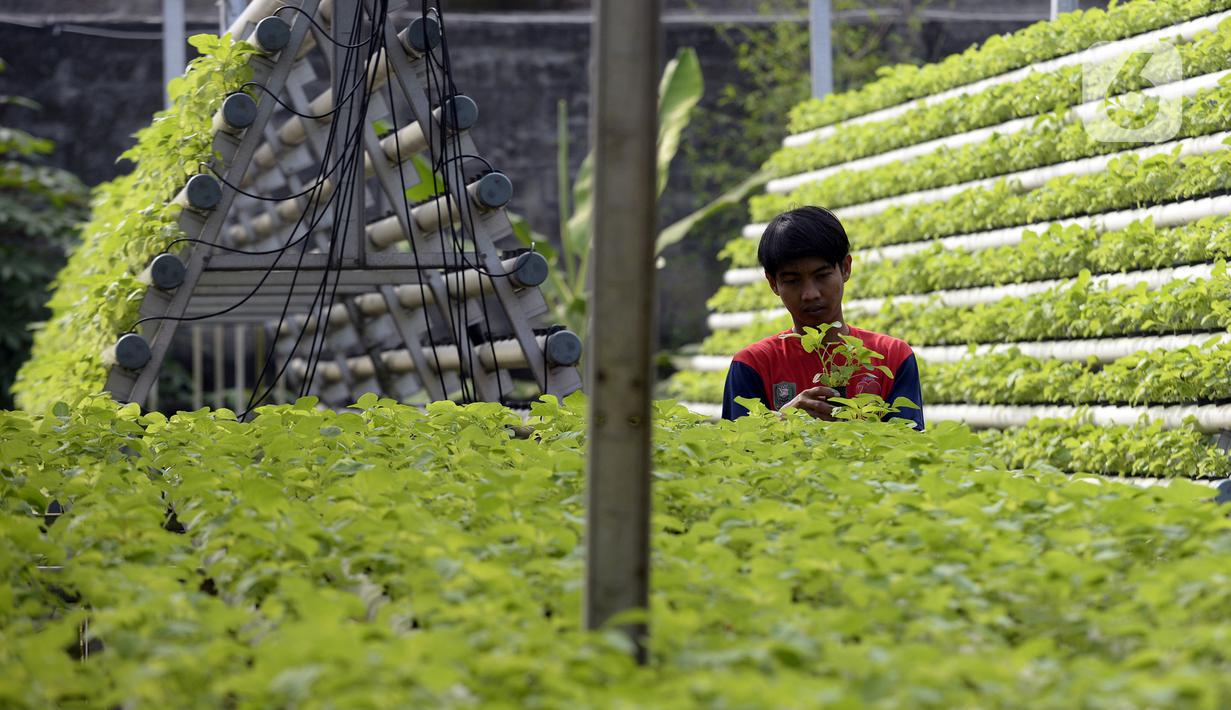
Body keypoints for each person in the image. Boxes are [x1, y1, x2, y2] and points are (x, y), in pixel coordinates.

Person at [721, 206, 924, 429]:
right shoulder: (752, 364)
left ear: (845, 268)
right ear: (773, 283)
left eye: (822, 275)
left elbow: (908, 449)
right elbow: (738, 449)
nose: (810, 293)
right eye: (792, 280)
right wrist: (784, 420)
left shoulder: (893, 357)